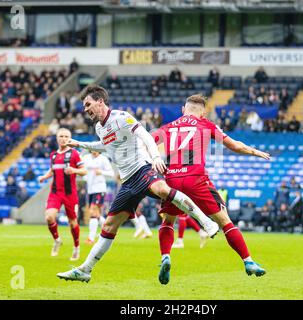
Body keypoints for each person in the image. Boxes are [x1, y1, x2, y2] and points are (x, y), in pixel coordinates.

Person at [56, 85, 219, 283]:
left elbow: (146, 136)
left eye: (88, 104)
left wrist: (156, 157)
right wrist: (80, 144)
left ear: (100, 102)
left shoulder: (122, 117)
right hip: (127, 182)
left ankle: (206, 223)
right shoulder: (100, 127)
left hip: (142, 168)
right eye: (84, 106)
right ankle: (85, 270)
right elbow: (105, 146)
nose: (85, 109)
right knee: (109, 224)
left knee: (161, 189)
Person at [152, 94, 271, 284]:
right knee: (225, 221)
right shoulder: (206, 125)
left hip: (172, 180)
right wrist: (254, 152)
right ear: (203, 112)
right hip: (196, 179)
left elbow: (147, 142)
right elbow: (234, 146)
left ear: (183, 109)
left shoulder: (168, 127)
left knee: (168, 220)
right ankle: (248, 261)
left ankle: (165, 256)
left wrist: (155, 158)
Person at [38, 128, 87, 261]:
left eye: (66, 136)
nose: (63, 138)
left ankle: (76, 247)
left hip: (70, 194)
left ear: (69, 138)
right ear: (57, 138)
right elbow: (52, 170)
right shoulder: (53, 155)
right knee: (49, 217)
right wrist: (44, 177)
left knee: (72, 222)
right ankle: (57, 240)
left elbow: (84, 171)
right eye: (61, 136)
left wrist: (74, 170)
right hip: (55, 193)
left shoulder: (74, 154)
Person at [83, 150, 115, 244]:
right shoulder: (86, 158)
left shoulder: (103, 159)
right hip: (90, 189)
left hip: (99, 188)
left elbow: (111, 173)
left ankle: (91, 238)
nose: (94, 150)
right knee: (96, 214)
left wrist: (101, 172)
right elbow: (83, 170)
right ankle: (109, 229)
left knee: (93, 211)